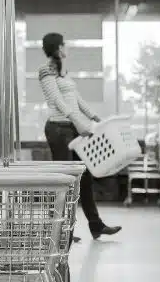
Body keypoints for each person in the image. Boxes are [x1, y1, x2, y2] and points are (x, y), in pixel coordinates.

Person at [39, 32, 121, 241]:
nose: (67, 47)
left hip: (72, 128)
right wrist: (77, 121)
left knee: (85, 178)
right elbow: (57, 100)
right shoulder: (45, 71)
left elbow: (76, 98)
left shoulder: (64, 72)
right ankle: (60, 232)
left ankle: (96, 225)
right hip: (58, 129)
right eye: (64, 44)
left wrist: (94, 117)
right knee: (65, 181)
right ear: (58, 48)